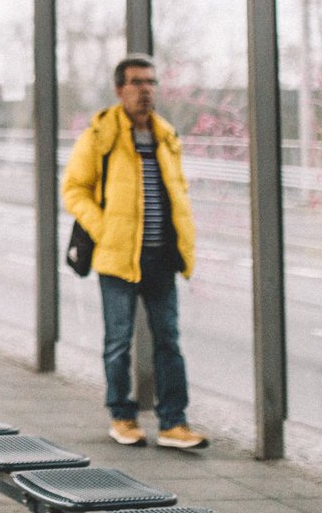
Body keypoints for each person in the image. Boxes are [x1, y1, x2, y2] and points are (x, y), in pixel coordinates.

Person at [61, 53, 208, 450]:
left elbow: (178, 192)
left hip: (161, 256)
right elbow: (74, 189)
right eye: (137, 82)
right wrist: (104, 227)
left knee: (168, 340)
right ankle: (122, 416)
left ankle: (174, 422)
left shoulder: (165, 135)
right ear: (119, 89)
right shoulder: (100, 136)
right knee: (118, 341)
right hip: (118, 256)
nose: (146, 90)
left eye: (151, 82)